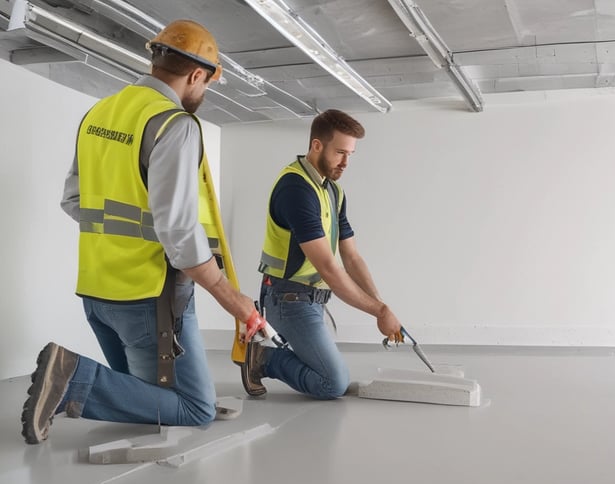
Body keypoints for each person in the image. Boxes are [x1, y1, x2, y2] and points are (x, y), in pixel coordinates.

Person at [21, 20, 265, 445]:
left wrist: (123, 238)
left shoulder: (99, 112)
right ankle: (72, 377)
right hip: (148, 297)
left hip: (96, 289)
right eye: (206, 84)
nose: (203, 94)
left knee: (146, 401)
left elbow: (73, 200)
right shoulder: (175, 124)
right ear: (195, 75)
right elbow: (180, 237)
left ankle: (72, 378)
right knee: (194, 408)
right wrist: (237, 303)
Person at [241, 109, 403, 400]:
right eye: (340, 152)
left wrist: (382, 305)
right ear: (317, 145)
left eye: (351, 154)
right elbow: (329, 267)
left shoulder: (333, 192)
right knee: (332, 382)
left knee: (327, 372)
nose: (346, 162)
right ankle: (261, 359)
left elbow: (351, 257)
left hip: (312, 299)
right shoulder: (296, 189)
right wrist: (378, 312)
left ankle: (275, 352)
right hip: (286, 299)